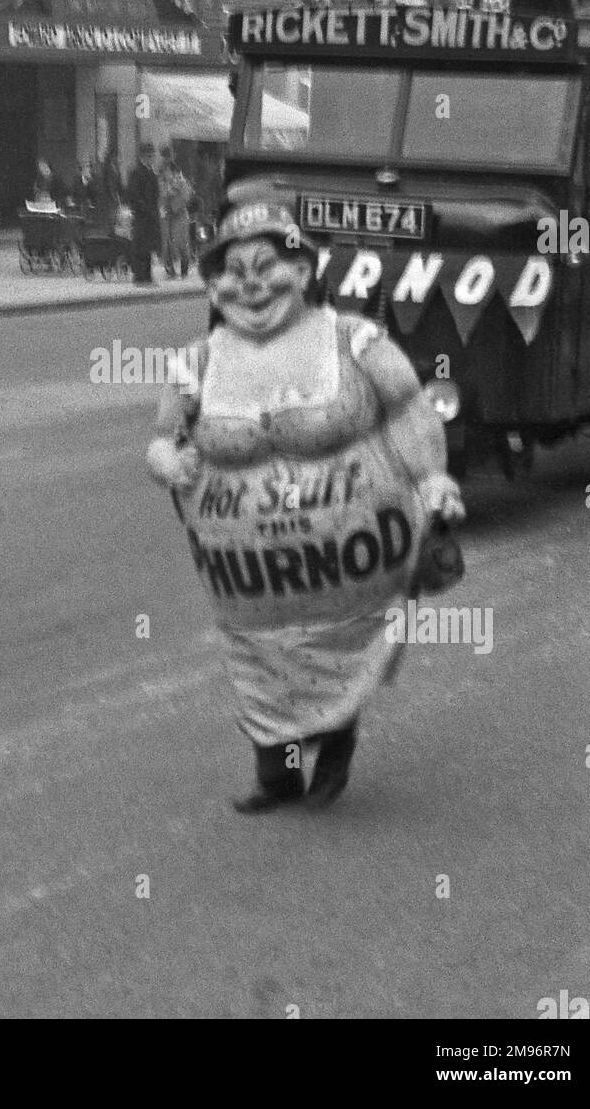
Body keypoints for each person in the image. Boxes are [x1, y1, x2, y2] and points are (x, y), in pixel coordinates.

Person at [146, 194, 465, 812]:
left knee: (338, 660)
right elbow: (164, 438)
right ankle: (278, 777)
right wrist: (166, 462)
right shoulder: (198, 361)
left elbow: (407, 409)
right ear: (213, 287)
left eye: (266, 267)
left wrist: (430, 478)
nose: (252, 286)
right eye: (233, 275)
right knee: (263, 671)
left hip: (351, 569)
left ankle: (334, 750)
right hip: (249, 581)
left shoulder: (353, 339)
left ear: (303, 269)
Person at [127, 143, 161, 285]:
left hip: (151, 216)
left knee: (148, 248)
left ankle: (147, 276)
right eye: (150, 156)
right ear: (143, 157)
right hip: (142, 216)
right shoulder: (136, 173)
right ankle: (139, 276)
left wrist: (154, 210)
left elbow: (156, 194)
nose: (152, 159)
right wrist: (144, 208)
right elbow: (134, 195)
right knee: (140, 247)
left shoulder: (152, 173)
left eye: (153, 156)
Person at [158, 149, 194, 279]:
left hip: (180, 216)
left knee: (181, 242)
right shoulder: (162, 181)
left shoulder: (181, 182)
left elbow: (186, 195)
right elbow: (160, 197)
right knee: (167, 243)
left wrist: (173, 204)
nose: (166, 174)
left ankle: (184, 267)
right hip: (167, 216)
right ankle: (170, 269)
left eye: (168, 171)